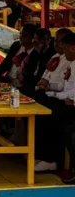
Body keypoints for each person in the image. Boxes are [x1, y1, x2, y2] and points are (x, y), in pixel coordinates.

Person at [34, 31, 75, 172]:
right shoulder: (64, 60)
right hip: (63, 99)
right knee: (40, 108)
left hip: (67, 103)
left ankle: (52, 159)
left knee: (51, 115)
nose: (60, 48)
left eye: (63, 45)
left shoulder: (71, 62)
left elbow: (68, 89)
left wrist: (51, 92)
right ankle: (41, 154)